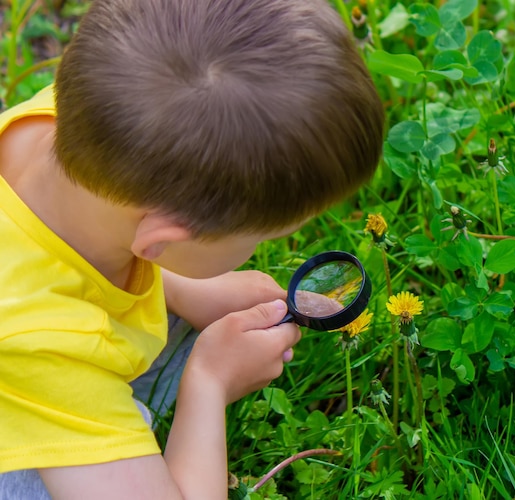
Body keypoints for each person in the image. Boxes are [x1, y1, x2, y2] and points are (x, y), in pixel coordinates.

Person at [0, 0, 384, 498]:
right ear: (161, 242)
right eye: (264, 237)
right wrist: (209, 385)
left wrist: (179, 289)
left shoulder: (67, 119)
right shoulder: (46, 338)